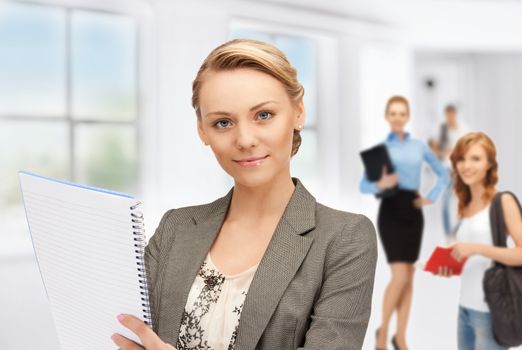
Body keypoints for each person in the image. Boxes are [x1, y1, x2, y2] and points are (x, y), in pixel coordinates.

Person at [111, 39, 378, 350]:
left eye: (263, 115)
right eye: (223, 123)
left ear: (298, 113)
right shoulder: (175, 228)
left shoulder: (345, 238)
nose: (245, 139)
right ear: (202, 131)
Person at [360, 95, 449, 350]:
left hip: (413, 210)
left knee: (409, 276)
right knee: (399, 275)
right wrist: (380, 183)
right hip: (390, 210)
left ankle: (400, 336)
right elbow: (364, 185)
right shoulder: (381, 150)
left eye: (402, 113)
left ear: (407, 116)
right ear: (388, 117)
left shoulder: (419, 147)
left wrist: (429, 197)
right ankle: (383, 330)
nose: (398, 117)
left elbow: (442, 175)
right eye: (393, 113)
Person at [435, 132, 522, 350]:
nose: (466, 165)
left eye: (475, 158)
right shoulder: (465, 205)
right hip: (464, 309)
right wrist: (449, 265)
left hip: (490, 313)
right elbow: (471, 258)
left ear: (489, 164)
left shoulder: (503, 201)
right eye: (462, 159)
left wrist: (476, 249)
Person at [429, 105, 469, 242]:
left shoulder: (463, 129)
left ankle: (456, 231)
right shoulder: (442, 130)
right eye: (447, 115)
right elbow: (434, 148)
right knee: (446, 202)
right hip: (447, 169)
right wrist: (444, 152)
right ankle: (449, 235)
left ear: (455, 114)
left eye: (451, 114)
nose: (449, 117)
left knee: (465, 201)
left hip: (461, 169)